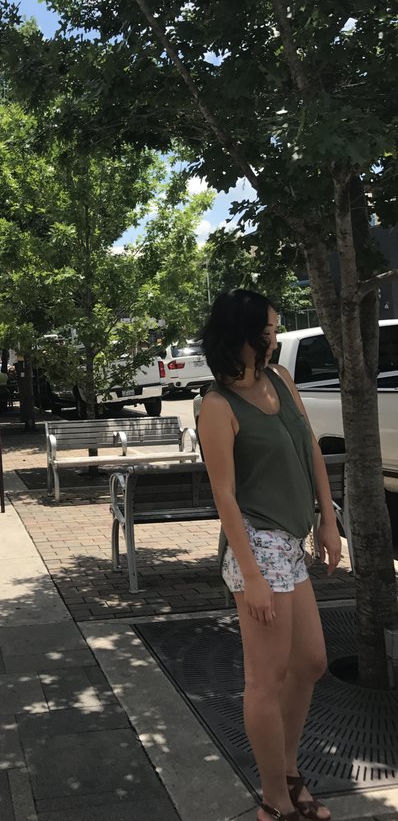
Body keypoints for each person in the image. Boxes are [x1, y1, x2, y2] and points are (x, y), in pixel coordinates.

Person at [198, 289, 341, 821]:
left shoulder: (280, 379)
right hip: (258, 545)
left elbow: (311, 449)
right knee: (266, 678)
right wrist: (251, 576)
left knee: (311, 662)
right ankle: (275, 801)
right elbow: (225, 497)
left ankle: (288, 771)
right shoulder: (217, 406)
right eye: (269, 331)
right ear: (241, 337)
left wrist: (328, 519)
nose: (275, 339)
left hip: (291, 542)